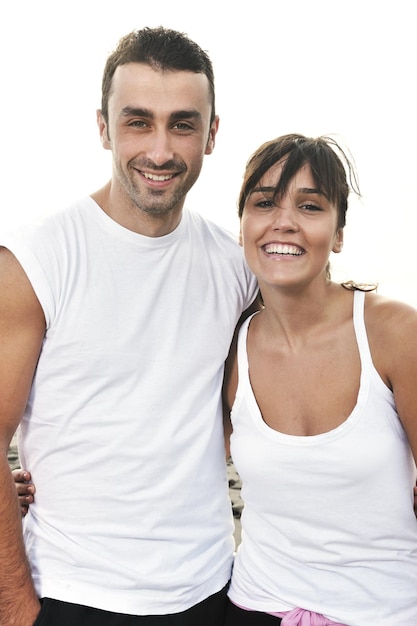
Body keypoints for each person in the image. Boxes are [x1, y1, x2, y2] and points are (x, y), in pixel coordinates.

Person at [0, 27, 258, 626]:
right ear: (103, 127)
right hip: (70, 596)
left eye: (183, 124)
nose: (161, 150)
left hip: (210, 591)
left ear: (212, 133)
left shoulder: (234, 268)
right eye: (138, 121)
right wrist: (16, 611)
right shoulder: (37, 260)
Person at [221, 134, 417, 625]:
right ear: (243, 226)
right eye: (264, 203)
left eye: (310, 206)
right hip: (256, 608)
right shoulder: (228, 349)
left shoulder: (394, 333)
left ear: (338, 233)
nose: (283, 221)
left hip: (386, 612)